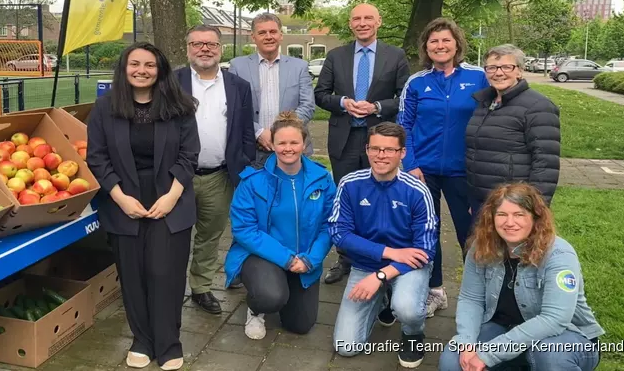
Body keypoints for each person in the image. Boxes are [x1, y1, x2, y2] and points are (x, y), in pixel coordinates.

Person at [87, 42, 200, 370]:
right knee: (133, 273)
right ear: (124, 68)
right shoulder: (105, 108)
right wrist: (120, 198)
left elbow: (189, 154)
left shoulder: (180, 107)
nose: (141, 70)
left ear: (160, 69)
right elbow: (96, 156)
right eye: (134, 64)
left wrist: (171, 196)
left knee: (164, 272)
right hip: (123, 199)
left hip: (170, 197)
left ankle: (168, 342)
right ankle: (142, 340)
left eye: (149, 65)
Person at [439, 183, 604, 371]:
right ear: (491, 218)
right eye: (502, 214)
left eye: (519, 214)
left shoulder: (559, 254)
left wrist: (489, 354)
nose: (510, 222)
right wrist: (466, 343)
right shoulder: (481, 247)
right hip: (503, 328)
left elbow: (554, 319)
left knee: (549, 355)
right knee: (452, 362)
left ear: (535, 218)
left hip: (564, 336)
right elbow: (471, 299)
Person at [398, 17, 489, 318]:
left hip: (465, 171)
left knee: (471, 233)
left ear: (457, 43)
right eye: (433, 41)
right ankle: (435, 290)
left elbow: (493, 118)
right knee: (428, 231)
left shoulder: (478, 78)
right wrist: (410, 164)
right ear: (426, 46)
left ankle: (478, 297)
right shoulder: (417, 82)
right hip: (423, 172)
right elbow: (405, 125)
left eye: (445, 40)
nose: (440, 45)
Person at [315, 2, 411, 285]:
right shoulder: (336, 56)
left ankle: (379, 255)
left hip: (379, 139)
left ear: (378, 21)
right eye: (356, 18)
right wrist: (343, 103)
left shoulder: (395, 56)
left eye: (368, 17)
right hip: (343, 139)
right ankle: (344, 258)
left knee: (380, 198)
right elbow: (321, 94)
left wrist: (378, 107)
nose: (362, 23)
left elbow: (405, 95)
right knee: (345, 200)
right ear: (350, 24)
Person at [330, 122, 438, 369]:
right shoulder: (350, 184)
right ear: (367, 149)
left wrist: (382, 274)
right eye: (375, 148)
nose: (381, 155)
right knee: (347, 347)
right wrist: (386, 253)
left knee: (408, 309)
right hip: (366, 265)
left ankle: (413, 334)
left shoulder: (418, 191)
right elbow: (339, 233)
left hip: (409, 266)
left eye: (389, 150)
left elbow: (427, 249)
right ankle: (383, 298)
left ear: (402, 153)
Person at [223, 111, 336, 340]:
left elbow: (328, 226)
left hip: (303, 258)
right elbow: (244, 230)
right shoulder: (252, 182)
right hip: (262, 255)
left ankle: (283, 288)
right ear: (272, 145)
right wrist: (286, 258)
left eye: (294, 142)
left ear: (304, 144)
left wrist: (310, 260)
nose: (288, 148)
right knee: (271, 297)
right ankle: (256, 308)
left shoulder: (323, 180)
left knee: (301, 325)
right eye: (281, 142)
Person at [175, 24, 256, 314]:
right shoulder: (171, 82)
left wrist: (242, 163)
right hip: (177, 177)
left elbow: (246, 131)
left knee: (210, 235)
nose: (204, 49)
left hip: (219, 176)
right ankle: (171, 287)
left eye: (211, 44)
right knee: (174, 235)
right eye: (197, 44)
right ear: (188, 49)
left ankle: (201, 288)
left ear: (220, 49)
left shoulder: (238, 86)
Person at [466, 44, 560, 217]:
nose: (498, 73)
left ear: (520, 71)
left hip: (514, 205)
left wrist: (534, 208)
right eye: (492, 67)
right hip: (482, 201)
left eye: (507, 67)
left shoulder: (538, 107)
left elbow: (546, 164)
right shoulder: (484, 103)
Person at [227, 12, 316, 168]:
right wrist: (259, 132)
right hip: (252, 150)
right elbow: (233, 108)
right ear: (253, 37)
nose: (268, 36)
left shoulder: (299, 67)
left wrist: (280, 133)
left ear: (281, 35)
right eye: (262, 32)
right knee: (256, 192)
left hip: (291, 150)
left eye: (273, 31)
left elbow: (307, 106)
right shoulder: (237, 66)